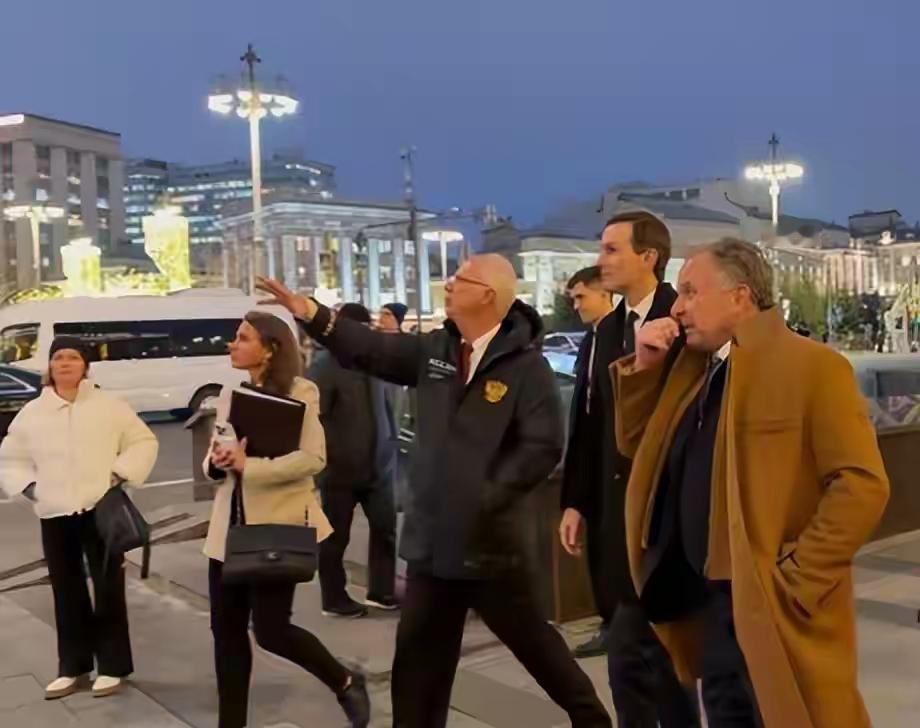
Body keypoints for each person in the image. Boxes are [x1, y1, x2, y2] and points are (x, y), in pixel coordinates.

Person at [257, 254, 611, 728]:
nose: (448, 285)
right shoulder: (435, 351)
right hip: (431, 547)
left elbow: (543, 446)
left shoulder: (526, 368)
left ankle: (593, 720)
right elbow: (370, 347)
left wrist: (485, 495)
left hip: (491, 549)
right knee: (418, 670)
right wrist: (312, 313)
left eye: (460, 279)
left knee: (540, 651)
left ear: (488, 296)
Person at [613, 238, 890, 727]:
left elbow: (861, 483)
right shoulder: (697, 373)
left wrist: (796, 578)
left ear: (739, 296)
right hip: (709, 602)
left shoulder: (813, 367)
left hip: (771, 603)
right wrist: (647, 369)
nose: (677, 307)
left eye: (691, 291)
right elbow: (643, 453)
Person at [203, 311, 370, 728]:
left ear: (270, 348)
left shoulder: (302, 391)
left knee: (272, 632)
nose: (232, 344)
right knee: (226, 634)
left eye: (243, 338)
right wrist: (218, 462)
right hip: (228, 531)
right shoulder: (230, 393)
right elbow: (215, 455)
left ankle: (345, 680)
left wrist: (249, 465)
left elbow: (313, 459)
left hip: (277, 527)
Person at [0, 336, 159, 700]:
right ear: (49, 366)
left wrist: (119, 474)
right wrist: (32, 488)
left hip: (100, 510)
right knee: (65, 590)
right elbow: (11, 457)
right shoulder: (33, 412)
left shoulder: (109, 406)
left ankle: (113, 666)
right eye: (58, 357)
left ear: (85, 366)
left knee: (108, 589)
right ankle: (73, 666)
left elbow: (143, 441)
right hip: (55, 512)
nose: (65, 363)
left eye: (73, 357)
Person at [310, 303, 399, 616]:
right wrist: (323, 463)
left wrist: (391, 446)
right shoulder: (324, 366)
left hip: (380, 468)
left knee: (386, 530)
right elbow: (313, 419)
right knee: (335, 537)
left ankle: (382, 592)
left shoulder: (375, 363)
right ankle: (333, 598)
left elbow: (387, 408)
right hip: (339, 471)